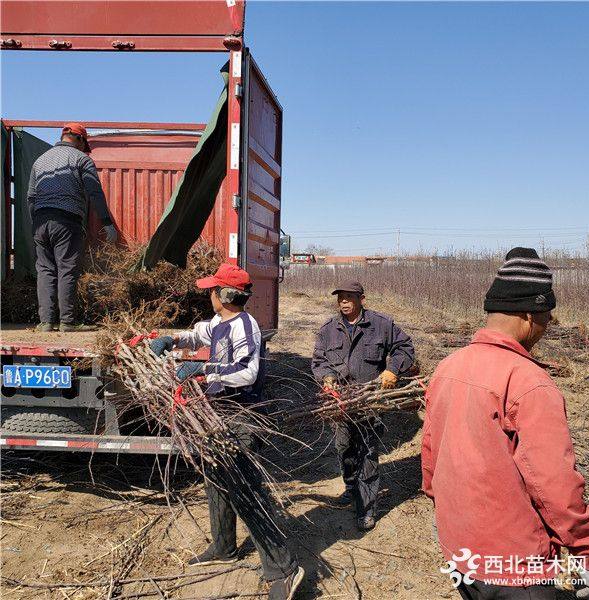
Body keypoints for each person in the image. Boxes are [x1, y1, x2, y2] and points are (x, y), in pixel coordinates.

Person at [422, 248, 589, 600]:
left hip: (460, 550)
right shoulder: (529, 383)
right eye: (547, 319)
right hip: (515, 566)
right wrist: (588, 551)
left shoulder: (448, 368)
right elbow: (554, 486)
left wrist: (445, 510)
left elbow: (431, 458)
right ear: (529, 316)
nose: (546, 329)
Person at [150, 263, 304, 600]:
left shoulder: (245, 325)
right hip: (218, 412)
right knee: (216, 480)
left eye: (213, 290)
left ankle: (284, 569)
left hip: (242, 415)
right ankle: (223, 546)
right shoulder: (221, 323)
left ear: (226, 295)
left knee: (246, 491)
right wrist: (171, 338)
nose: (209, 295)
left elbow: (247, 373)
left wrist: (205, 370)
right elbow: (198, 333)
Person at [311, 280, 415, 531]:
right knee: (344, 447)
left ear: (361, 299)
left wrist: (392, 370)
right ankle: (350, 487)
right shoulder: (329, 329)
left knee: (367, 451)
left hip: (369, 402)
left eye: (349, 297)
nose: (343, 302)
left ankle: (366, 508)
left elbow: (405, 347)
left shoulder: (380, 325)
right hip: (342, 402)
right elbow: (319, 359)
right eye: (340, 298)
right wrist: (326, 377)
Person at [27, 122, 117, 332]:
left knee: (45, 271)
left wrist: (36, 223)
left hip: (41, 221)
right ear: (79, 139)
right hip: (66, 221)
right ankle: (67, 322)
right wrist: (107, 223)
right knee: (67, 269)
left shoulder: (39, 161)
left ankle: (46, 322)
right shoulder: (81, 159)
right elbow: (94, 192)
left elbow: (31, 197)